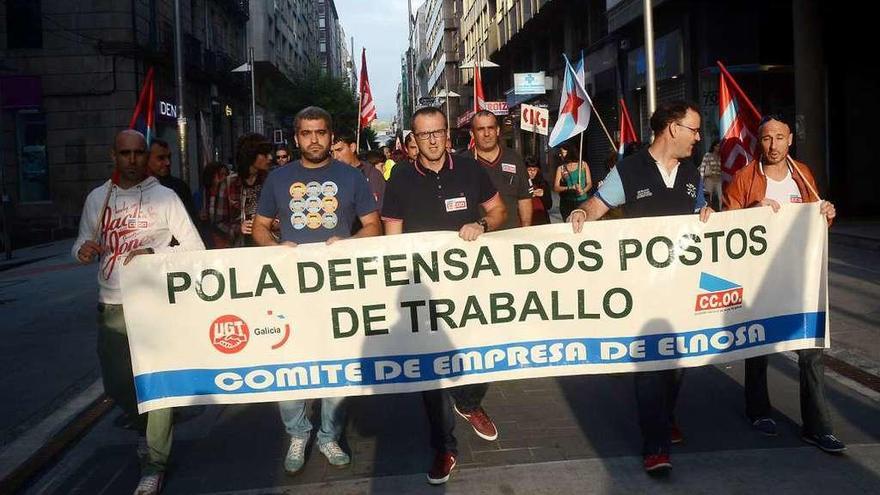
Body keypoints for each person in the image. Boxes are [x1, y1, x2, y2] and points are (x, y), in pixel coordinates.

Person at [568, 101, 713, 474]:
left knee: (678, 363)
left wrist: (707, 214)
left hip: (681, 289)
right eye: (693, 130)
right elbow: (597, 205)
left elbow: (701, 211)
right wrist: (582, 212)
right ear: (672, 128)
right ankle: (656, 446)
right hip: (642, 291)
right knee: (651, 365)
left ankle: (663, 417)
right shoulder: (629, 170)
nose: (698, 138)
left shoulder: (692, 173)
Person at [72, 129, 205, 495]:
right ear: (112, 155)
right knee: (117, 385)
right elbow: (81, 244)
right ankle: (151, 430)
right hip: (112, 304)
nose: (132, 160)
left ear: (146, 156)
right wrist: (82, 252)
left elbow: (195, 250)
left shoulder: (165, 198)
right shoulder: (98, 198)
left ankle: (155, 461)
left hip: (155, 305)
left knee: (157, 386)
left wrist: (154, 255)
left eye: (139, 153)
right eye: (125, 153)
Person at [251, 106, 382, 475]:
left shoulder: (351, 177)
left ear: (330, 136)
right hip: (291, 292)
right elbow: (259, 228)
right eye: (306, 133)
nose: (313, 139)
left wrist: (349, 242)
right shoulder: (278, 179)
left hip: (337, 289)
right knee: (289, 364)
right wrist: (275, 247)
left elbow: (373, 225)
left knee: (336, 364)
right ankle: (297, 433)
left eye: (321, 133)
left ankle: (328, 435)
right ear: (296, 138)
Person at [381, 106, 506, 485]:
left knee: (483, 351)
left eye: (438, 132)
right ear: (413, 141)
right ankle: (444, 447)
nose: (433, 140)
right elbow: (392, 236)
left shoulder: (470, 170)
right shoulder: (400, 178)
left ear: (447, 134)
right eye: (424, 134)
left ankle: (469, 402)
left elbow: (499, 211)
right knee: (431, 374)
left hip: (470, 289)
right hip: (424, 292)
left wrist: (481, 224)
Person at [723, 115, 844, 453]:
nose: (773, 145)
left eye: (779, 137)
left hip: (801, 278)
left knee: (811, 350)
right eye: (766, 139)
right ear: (757, 142)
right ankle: (758, 410)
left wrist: (826, 215)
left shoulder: (803, 174)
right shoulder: (744, 178)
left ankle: (817, 426)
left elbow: (813, 225)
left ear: (790, 139)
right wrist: (752, 213)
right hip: (760, 279)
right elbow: (725, 225)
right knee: (758, 346)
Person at [469, 109, 533, 229]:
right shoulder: (464, 162)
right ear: (472, 134)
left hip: (510, 235)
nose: (487, 133)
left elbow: (524, 198)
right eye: (480, 129)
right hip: (476, 238)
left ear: (497, 130)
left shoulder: (514, 158)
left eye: (491, 128)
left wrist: (526, 230)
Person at [225, 133, 273, 246]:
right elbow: (217, 221)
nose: (270, 157)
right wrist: (238, 228)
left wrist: (274, 223)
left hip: (268, 245)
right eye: (264, 154)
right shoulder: (228, 183)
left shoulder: (271, 180)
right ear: (251, 155)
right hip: (240, 249)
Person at [330, 133, 386, 211]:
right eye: (332, 152)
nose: (335, 156)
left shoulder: (371, 175)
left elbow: (378, 209)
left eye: (339, 150)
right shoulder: (331, 175)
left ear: (352, 147)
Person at [146, 138, 197, 221]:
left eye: (169, 157)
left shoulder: (180, 188)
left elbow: (190, 220)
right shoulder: (137, 188)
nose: (168, 163)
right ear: (146, 159)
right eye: (161, 158)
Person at [195, 161, 233, 248]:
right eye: (221, 175)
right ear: (211, 176)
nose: (224, 178)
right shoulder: (201, 195)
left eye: (226, 174)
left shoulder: (230, 193)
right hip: (209, 239)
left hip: (227, 236)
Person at [554, 143, 592, 220]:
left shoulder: (583, 165)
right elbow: (556, 187)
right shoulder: (561, 168)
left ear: (570, 152)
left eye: (562, 153)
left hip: (582, 201)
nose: (560, 155)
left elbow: (589, 183)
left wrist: (583, 191)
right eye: (560, 153)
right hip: (567, 203)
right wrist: (570, 187)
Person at [526, 156, 552, 225]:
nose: (532, 172)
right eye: (529, 170)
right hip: (527, 218)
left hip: (541, 219)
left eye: (534, 170)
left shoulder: (543, 183)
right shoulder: (521, 183)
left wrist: (543, 195)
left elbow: (549, 205)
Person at [699, 140, 723, 210]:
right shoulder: (708, 155)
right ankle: (709, 211)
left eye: (719, 146)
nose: (718, 148)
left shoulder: (721, 156)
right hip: (709, 179)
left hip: (718, 179)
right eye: (717, 146)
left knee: (721, 197)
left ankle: (721, 212)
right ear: (714, 147)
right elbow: (703, 167)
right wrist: (701, 180)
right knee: (709, 197)